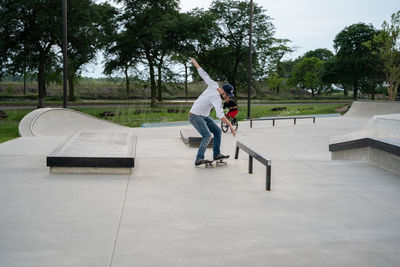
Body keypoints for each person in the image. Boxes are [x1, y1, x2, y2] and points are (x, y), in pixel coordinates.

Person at [188, 58, 236, 166]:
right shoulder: (215, 92)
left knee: (218, 131)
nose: (227, 98)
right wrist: (231, 126)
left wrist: (196, 64)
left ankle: (216, 154)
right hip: (195, 115)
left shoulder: (216, 90)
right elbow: (220, 116)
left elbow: (205, 75)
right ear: (223, 91)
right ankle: (199, 158)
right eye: (227, 96)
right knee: (207, 136)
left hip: (204, 116)